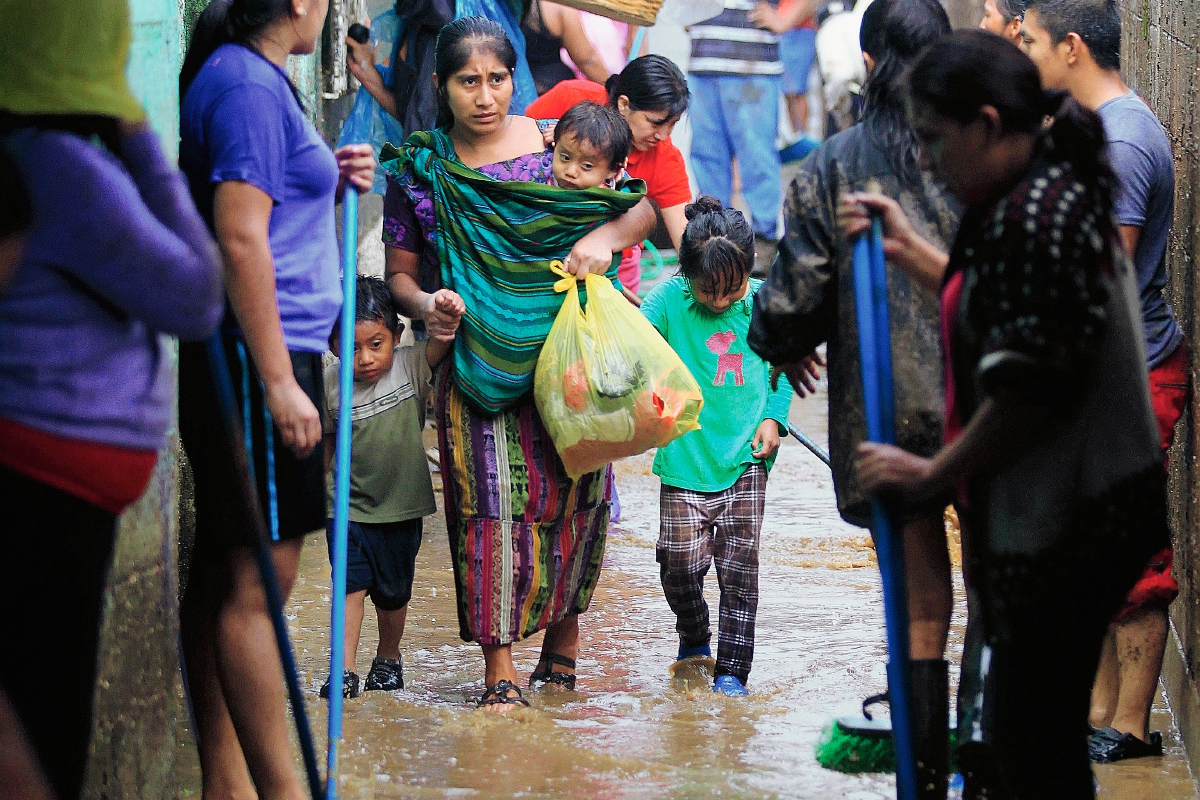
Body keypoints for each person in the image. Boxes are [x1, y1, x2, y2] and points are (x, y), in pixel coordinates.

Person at [847, 30, 1170, 799]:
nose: (924, 161)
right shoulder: (1029, 193)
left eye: (933, 139)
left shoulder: (1040, 216)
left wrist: (932, 472)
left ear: (988, 125)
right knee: (1032, 735)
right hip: (1072, 513)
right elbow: (989, 301)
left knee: (1034, 747)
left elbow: (1030, 391)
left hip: (1074, 522)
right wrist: (907, 249)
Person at [381, 16, 655, 711]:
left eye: (496, 79)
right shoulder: (422, 170)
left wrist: (604, 236)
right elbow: (399, 280)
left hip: (570, 362)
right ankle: (498, 672)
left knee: (575, 501)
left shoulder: (556, 145)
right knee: (488, 511)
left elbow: (640, 210)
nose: (484, 96)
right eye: (467, 81)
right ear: (440, 87)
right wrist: (428, 303)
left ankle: (561, 656)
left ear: (513, 79)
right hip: (474, 362)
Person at [0, 1, 224, 796]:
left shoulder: (33, 159)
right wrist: (138, 139)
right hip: (46, 477)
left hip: (56, 472)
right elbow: (197, 295)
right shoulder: (62, 166)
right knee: (47, 720)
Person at [747, 0, 957, 794]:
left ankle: (925, 772)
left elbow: (794, 290)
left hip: (890, 406)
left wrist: (782, 342)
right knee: (998, 586)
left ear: (868, 63)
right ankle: (982, 748)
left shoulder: (839, 160)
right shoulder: (983, 141)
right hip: (986, 398)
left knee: (920, 596)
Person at [177, 0, 375, 797]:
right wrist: (279, 381)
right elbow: (239, 233)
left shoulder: (250, 76)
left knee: (225, 579)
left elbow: (269, 207)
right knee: (261, 587)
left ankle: (224, 782)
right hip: (260, 357)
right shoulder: (249, 88)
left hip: (255, 351)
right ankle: (282, 792)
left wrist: (330, 178)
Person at [1021, 0, 1187, 763]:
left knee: (1134, 567)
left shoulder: (1120, 142)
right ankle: (1094, 711)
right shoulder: (1100, 127)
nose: (1023, 54)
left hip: (1128, 376)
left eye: (1030, 41)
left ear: (1073, 48)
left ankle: (1129, 729)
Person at [640, 197, 793, 697]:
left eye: (734, 289)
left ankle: (732, 671)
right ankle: (693, 634)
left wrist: (774, 417)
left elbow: (785, 366)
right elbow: (636, 347)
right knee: (679, 562)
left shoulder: (765, 302)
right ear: (687, 276)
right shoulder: (667, 301)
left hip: (748, 456)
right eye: (709, 290)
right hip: (684, 456)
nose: (722, 301)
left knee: (739, 570)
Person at [320, 276, 461, 699]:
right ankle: (343, 669)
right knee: (349, 586)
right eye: (351, 347)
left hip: (401, 508)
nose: (363, 358)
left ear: (396, 336)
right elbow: (327, 443)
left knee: (394, 594)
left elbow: (443, 341)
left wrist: (446, 310)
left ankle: (388, 657)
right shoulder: (330, 384)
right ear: (332, 345)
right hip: (347, 508)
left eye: (375, 344)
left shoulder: (410, 365)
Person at [526, 55, 693, 292]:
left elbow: (686, 241)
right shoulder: (570, 97)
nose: (663, 135)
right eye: (655, 123)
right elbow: (510, 153)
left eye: (672, 124)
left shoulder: (664, 157)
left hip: (609, 270)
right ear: (624, 104)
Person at [687, 0, 784, 275]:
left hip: (753, 67)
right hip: (703, 64)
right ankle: (714, 239)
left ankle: (764, 239)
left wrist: (785, 19)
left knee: (756, 157)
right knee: (707, 157)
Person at [750, 0, 822, 160]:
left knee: (797, 90)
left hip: (799, 29)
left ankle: (801, 137)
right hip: (779, 27)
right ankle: (796, 138)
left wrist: (783, 22)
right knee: (788, 91)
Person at [521, 1, 610, 95]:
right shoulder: (558, 5)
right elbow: (586, 59)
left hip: (516, 86)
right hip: (552, 90)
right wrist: (612, 92)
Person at [547, 101, 630, 191]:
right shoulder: (535, 179)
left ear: (612, 170)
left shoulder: (619, 198)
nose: (570, 172)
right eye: (565, 157)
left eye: (587, 166)